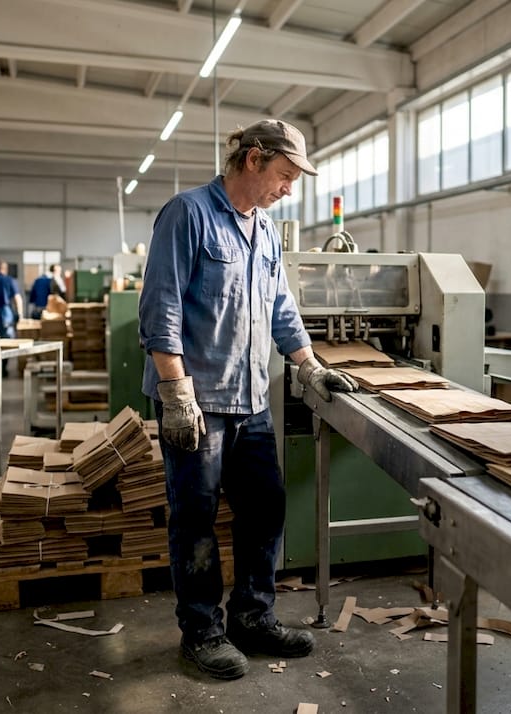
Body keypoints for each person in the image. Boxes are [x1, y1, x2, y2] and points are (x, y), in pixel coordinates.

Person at [139, 119, 359, 681]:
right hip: (198, 401)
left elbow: (281, 307)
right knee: (196, 518)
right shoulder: (187, 214)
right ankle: (202, 632)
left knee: (265, 509)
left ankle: (252, 618)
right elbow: (161, 306)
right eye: (285, 175)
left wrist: (310, 366)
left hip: (250, 400)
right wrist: (175, 393)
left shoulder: (265, 230)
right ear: (254, 159)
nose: (288, 188)